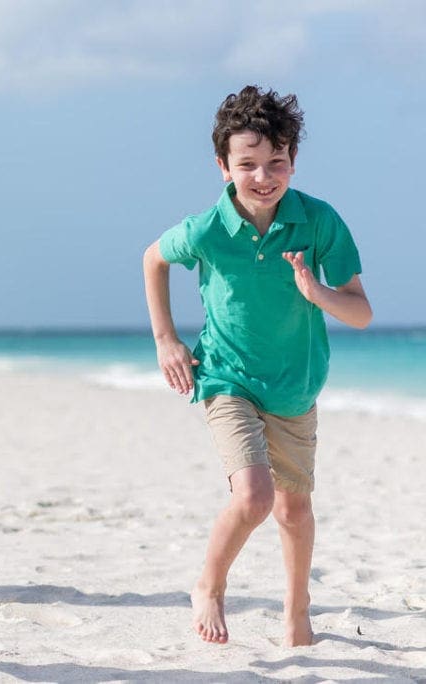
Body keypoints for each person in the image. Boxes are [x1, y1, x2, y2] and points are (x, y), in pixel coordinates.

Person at [142, 85, 372, 647]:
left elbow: (361, 312)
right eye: (247, 164)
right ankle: (210, 585)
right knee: (255, 497)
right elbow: (153, 257)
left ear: (293, 159)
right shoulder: (206, 229)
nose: (263, 176)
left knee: (295, 508)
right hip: (225, 376)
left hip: (296, 386)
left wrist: (317, 292)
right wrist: (166, 339)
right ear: (223, 166)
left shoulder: (318, 221)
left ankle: (297, 615)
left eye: (276, 162)